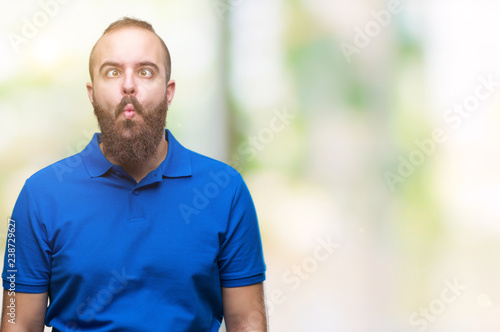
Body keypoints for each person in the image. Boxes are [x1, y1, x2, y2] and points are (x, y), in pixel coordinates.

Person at [0, 17, 267, 332]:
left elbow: (247, 321)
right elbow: (17, 322)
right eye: (112, 72)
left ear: (169, 92)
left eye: (145, 71)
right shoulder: (40, 195)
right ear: (91, 93)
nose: (129, 85)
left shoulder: (226, 190)